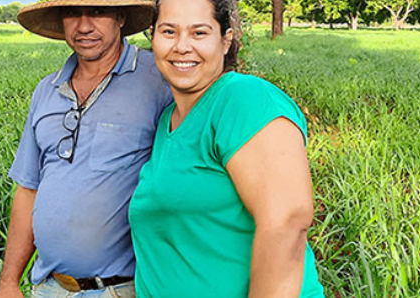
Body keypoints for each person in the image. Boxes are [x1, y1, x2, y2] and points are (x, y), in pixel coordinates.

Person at [127, 0, 326, 297]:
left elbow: (287, 220)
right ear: (152, 37)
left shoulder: (243, 98)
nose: (182, 46)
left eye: (199, 33)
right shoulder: (169, 120)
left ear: (225, 41)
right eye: (169, 31)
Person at [0, 0, 172, 297]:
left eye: (96, 12)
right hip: (49, 286)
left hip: (121, 289)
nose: (84, 26)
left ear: (120, 16)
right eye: (72, 13)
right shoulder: (47, 90)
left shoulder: (159, 81)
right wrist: (9, 282)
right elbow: (28, 189)